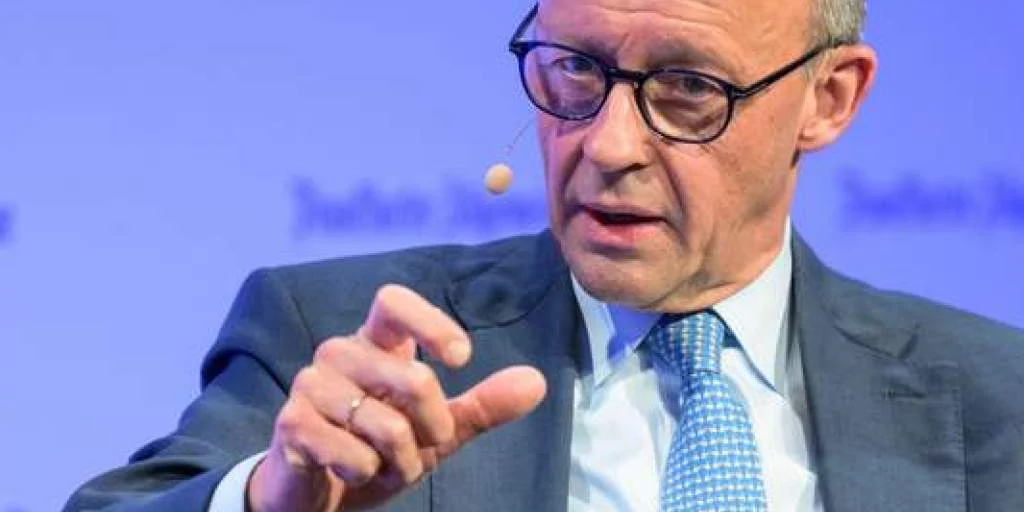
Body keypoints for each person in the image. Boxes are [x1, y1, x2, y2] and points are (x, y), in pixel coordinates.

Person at [66, 0, 1024, 511]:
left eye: (689, 87)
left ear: (829, 99)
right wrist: (267, 505)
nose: (607, 145)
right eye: (574, 69)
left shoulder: (998, 396)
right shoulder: (339, 337)